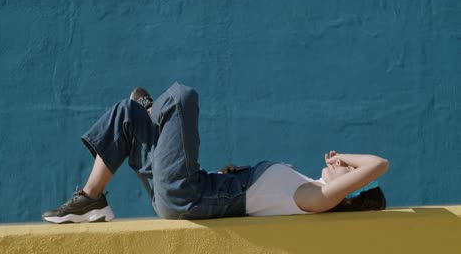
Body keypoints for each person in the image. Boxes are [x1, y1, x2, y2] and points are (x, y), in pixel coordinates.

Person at [42, 82, 389, 223]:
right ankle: (92, 200)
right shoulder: (306, 185)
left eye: (345, 167)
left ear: (350, 190)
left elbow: (378, 164)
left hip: (187, 196)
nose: (339, 162)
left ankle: (153, 113)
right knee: (127, 113)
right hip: (188, 190)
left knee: (182, 97)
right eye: (343, 162)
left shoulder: (319, 198)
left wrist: (344, 154)